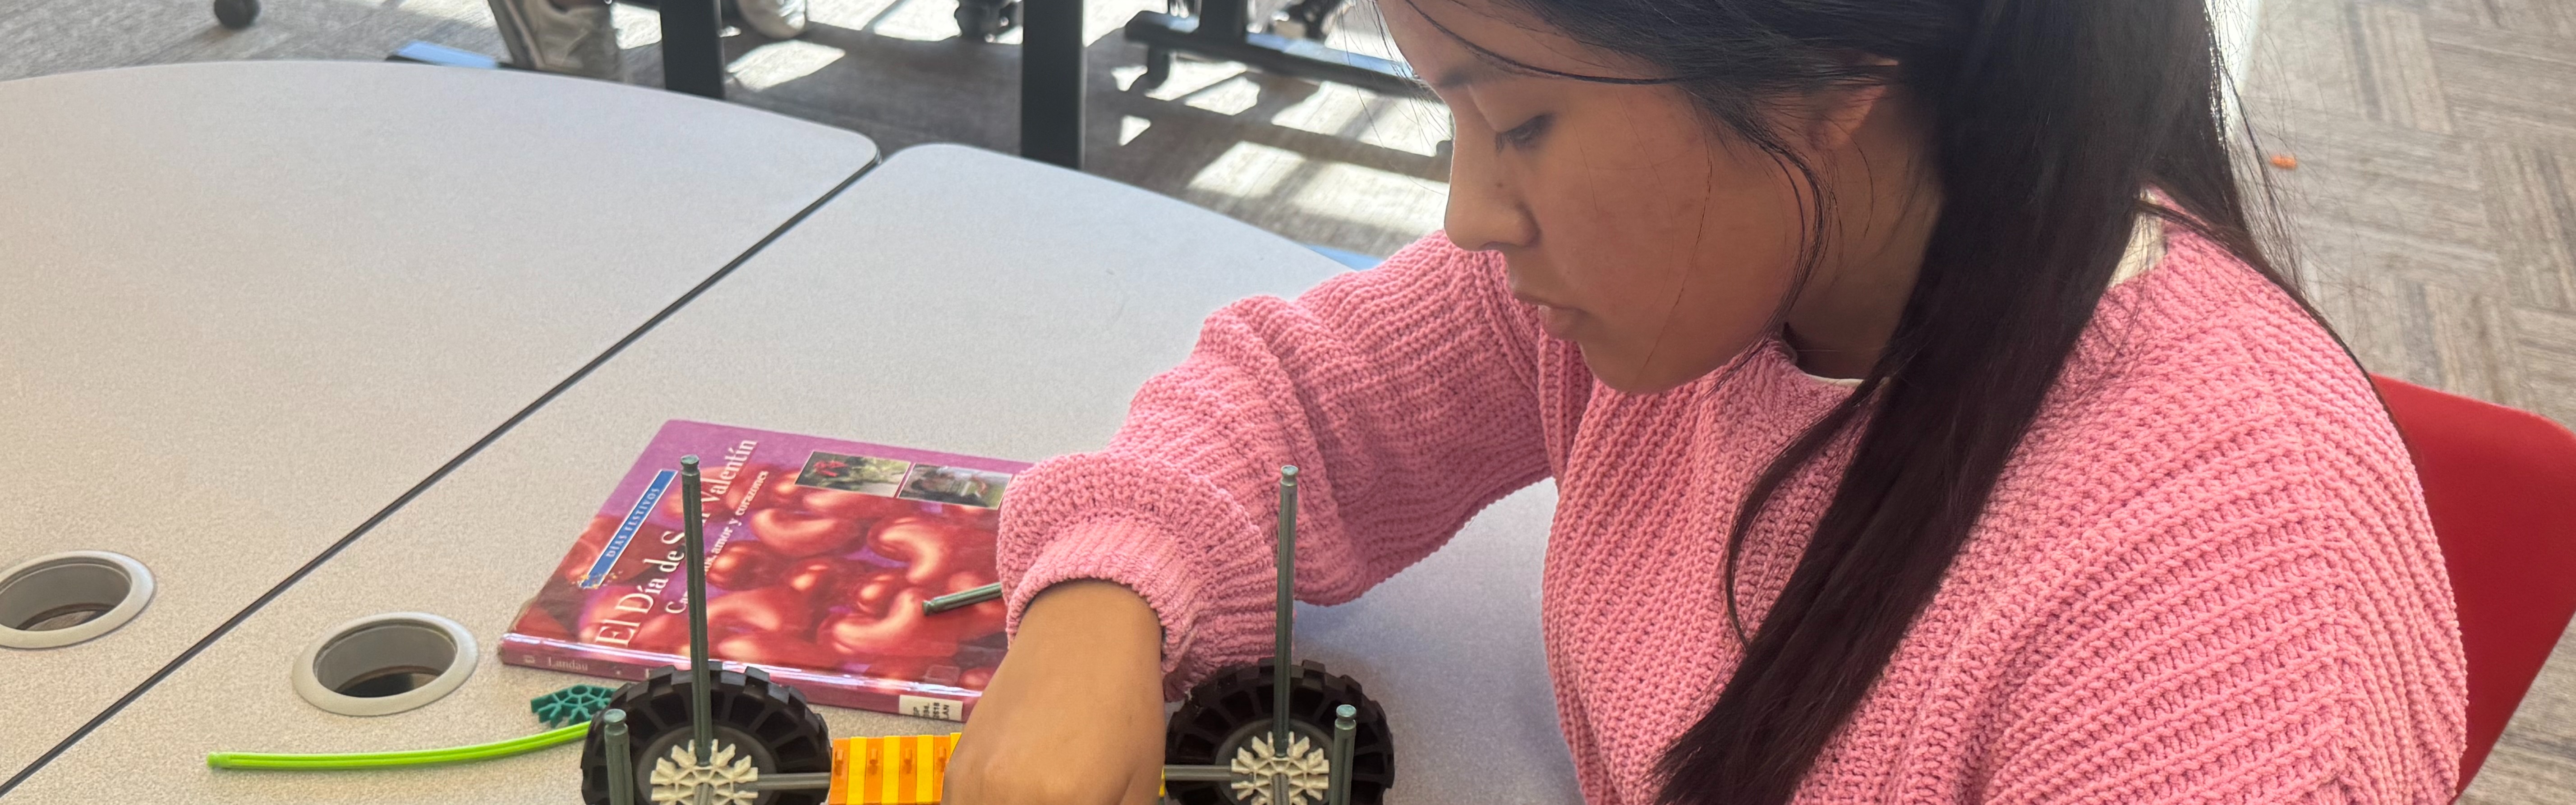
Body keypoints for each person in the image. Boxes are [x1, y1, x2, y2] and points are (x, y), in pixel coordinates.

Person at [945, 0, 2467, 802]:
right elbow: (1301, 401)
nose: (1473, 212)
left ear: (1833, 68)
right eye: (1450, 111)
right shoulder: (1711, 261)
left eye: (1521, 120)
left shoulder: (2234, 646)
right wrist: (1100, 611)